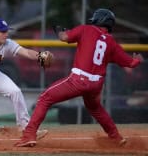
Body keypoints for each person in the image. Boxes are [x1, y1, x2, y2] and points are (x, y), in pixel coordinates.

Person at [15, 8, 144, 147]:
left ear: (98, 20)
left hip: (79, 80)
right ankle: (116, 137)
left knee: (44, 98)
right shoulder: (112, 42)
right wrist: (137, 60)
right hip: (96, 85)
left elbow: (64, 37)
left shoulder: (86, 29)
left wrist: (59, 30)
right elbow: (130, 63)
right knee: (95, 109)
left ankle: (29, 135)